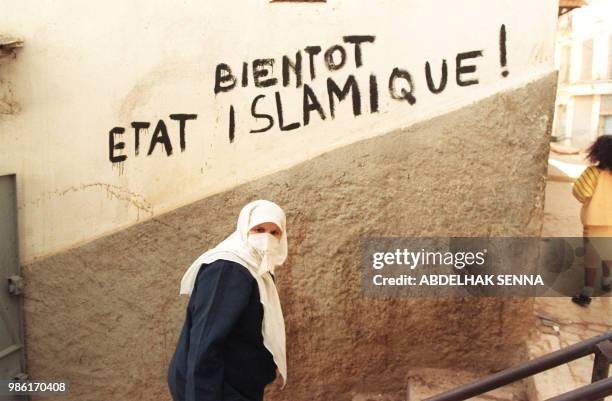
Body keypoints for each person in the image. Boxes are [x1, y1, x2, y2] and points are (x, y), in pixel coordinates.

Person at [167, 199, 288, 401]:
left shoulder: (256, 270)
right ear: (244, 229)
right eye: (259, 230)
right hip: (216, 390)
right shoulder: (229, 268)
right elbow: (205, 344)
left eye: (274, 232)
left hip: (237, 388)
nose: (266, 238)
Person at [570, 135, 612, 306]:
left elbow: (582, 193)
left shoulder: (592, 173)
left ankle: (586, 293)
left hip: (594, 223)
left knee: (591, 257)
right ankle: (607, 282)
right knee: (608, 253)